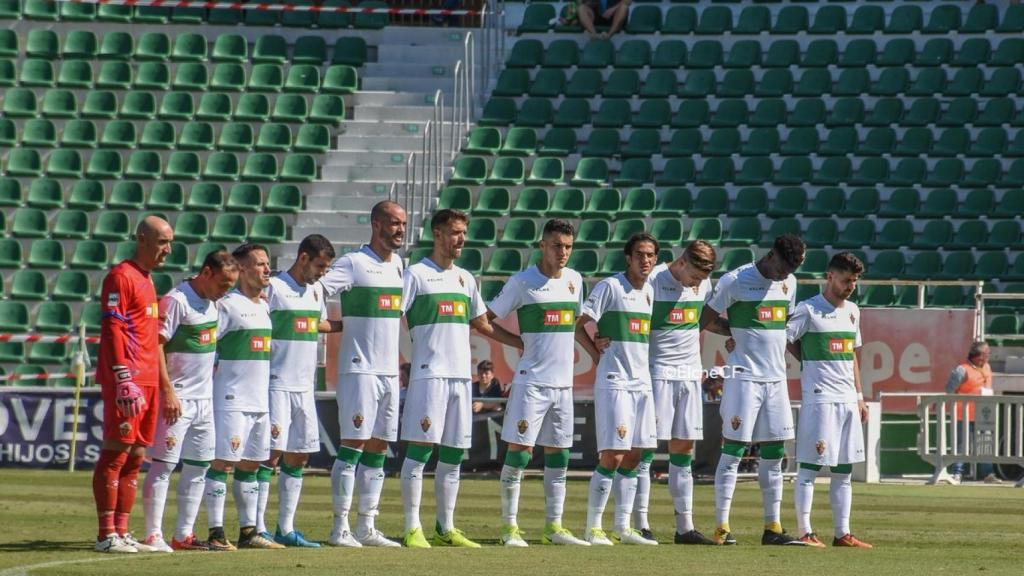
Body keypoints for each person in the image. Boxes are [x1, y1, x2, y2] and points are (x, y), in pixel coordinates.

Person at [398, 208, 523, 549]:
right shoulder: (416, 275)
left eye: (463, 233)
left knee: (453, 454)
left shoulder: (466, 278)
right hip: (429, 375)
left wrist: (520, 343)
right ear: (438, 234)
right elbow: (392, 316)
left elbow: (483, 323)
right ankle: (412, 528)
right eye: (455, 232)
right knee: (420, 451)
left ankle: (445, 527)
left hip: (460, 379)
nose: (461, 239)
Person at [488, 218, 590, 547]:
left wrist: (595, 349)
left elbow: (574, 326)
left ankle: (553, 527)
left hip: (563, 386)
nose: (563, 253)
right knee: (519, 454)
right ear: (542, 246)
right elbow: (486, 320)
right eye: (557, 246)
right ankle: (509, 528)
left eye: (569, 247)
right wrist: (517, 342)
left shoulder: (575, 281)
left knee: (559, 456)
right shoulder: (522, 282)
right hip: (531, 383)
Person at [702, 233, 806, 546]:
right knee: (733, 450)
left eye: (791, 270)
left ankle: (772, 527)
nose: (785, 275)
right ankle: (722, 527)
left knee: (774, 454)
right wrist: (731, 331)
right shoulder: (735, 281)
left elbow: (784, 327)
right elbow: (704, 319)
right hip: (744, 379)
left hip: (775, 380)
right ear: (772, 255)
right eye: (783, 268)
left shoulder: (790, 283)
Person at [318, 200, 407, 548]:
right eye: (394, 223)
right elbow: (317, 290)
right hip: (359, 370)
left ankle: (366, 527)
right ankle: (339, 528)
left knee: (379, 447)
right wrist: (329, 324)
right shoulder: (353, 263)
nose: (400, 229)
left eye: (403, 223)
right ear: (376, 224)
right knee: (352, 445)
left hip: (388, 373)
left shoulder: (399, 265)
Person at [142, 251, 239, 553]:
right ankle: (152, 534)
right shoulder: (177, 300)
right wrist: (167, 390)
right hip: (178, 398)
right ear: (206, 272)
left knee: (199, 466)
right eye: (223, 284)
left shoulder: (213, 303)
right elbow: (156, 346)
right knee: (163, 465)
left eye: (230, 286)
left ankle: (183, 534)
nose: (225, 291)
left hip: (204, 401)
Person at [92, 215, 174, 554]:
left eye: (170, 242)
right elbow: (112, 330)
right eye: (161, 242)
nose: (167, 250)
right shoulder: (120, 277)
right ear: (142, 239)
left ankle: (123, 530)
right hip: (127, 381)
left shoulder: (148, 280)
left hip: (149, 379)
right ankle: (105, 533)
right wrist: (123, 376)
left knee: (137, 456)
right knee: (116, 452)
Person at [575, 232, 659, 546]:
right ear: (628, 257)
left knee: (637, 455)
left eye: (651, 255)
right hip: (616, 382)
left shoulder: (649, 292)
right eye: (640, 254)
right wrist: (595, 351)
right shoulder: (610, 286)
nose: (646, 260)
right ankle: (593, 528)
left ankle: (623, 528)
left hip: (642, 382)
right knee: (614, 454)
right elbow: (578, 322)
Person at [636, 240, 721, 546]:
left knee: (683, 452)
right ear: (682, 263)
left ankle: (685, 527)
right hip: (658, 373)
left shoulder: (704, 282)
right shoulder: (654, 281)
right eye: (695, 277)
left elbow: (700, 324)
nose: (697, 284)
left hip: (689, 375)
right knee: (645, 449)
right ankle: (640, 524)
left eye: (701, 280)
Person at [788, 252, 873, 549]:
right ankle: (805, 531)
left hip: (848, 399)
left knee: (844, 470)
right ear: (830, 277)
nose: (850, 286)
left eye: (854, 281)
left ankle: (842, 533)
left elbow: (851, 355)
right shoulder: (808, 310)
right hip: (820, 399)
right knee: (810, 467)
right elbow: (785, 339)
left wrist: (860, 397)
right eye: (846, 280)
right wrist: (808, 362)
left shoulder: (853, 311)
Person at [262, 235, 342, 548]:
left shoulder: (316, 291)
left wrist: (351, 324)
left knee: (299, 454)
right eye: (320, 265)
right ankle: (256, 528)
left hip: (304, 386)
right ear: (304, 257)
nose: (323, 272)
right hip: (276, 383)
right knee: (270, 454)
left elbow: (317, 324)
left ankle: (285, 527)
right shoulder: (275, 288)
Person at [204, 244, 284, 550]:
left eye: (267, 264)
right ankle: (215, 532)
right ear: (242, 269)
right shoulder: (227, 305)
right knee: (222, 463)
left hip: (259, 401)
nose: (267, 269)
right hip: (232, 398)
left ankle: (248, 531)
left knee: (251, 464)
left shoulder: (263, 306)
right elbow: (209, 348)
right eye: (260, 264)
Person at [945, 341, 1000, 484]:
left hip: (984, 414)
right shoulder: (961, 370)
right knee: (961, 445)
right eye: (986, 353)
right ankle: (957, 474)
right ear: (978, 356)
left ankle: (988, 474)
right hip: (963, 413)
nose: (988, 356)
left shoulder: (987, 367)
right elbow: (949, 390)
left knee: (986, 444)